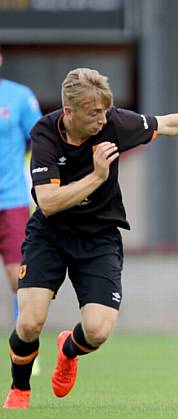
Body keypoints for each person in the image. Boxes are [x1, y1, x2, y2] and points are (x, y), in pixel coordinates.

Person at [2, 68, 178, 409]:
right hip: (51, 235)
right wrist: (97, 176)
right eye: (94, 113)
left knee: (97, 332)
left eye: (105, 111)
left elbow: (168, 124)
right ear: (69, 112)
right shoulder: (45, 133)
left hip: (99, 238)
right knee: (30, 322)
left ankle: (68, 350)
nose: (102, 120)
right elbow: (47, 203)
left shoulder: (113, 124)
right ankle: (20, 390)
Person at [0, 48, 43, 377]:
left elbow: (41, 140)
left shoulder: (18, 96)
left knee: (19, 278)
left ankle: (24, 348)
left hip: (11, 199)